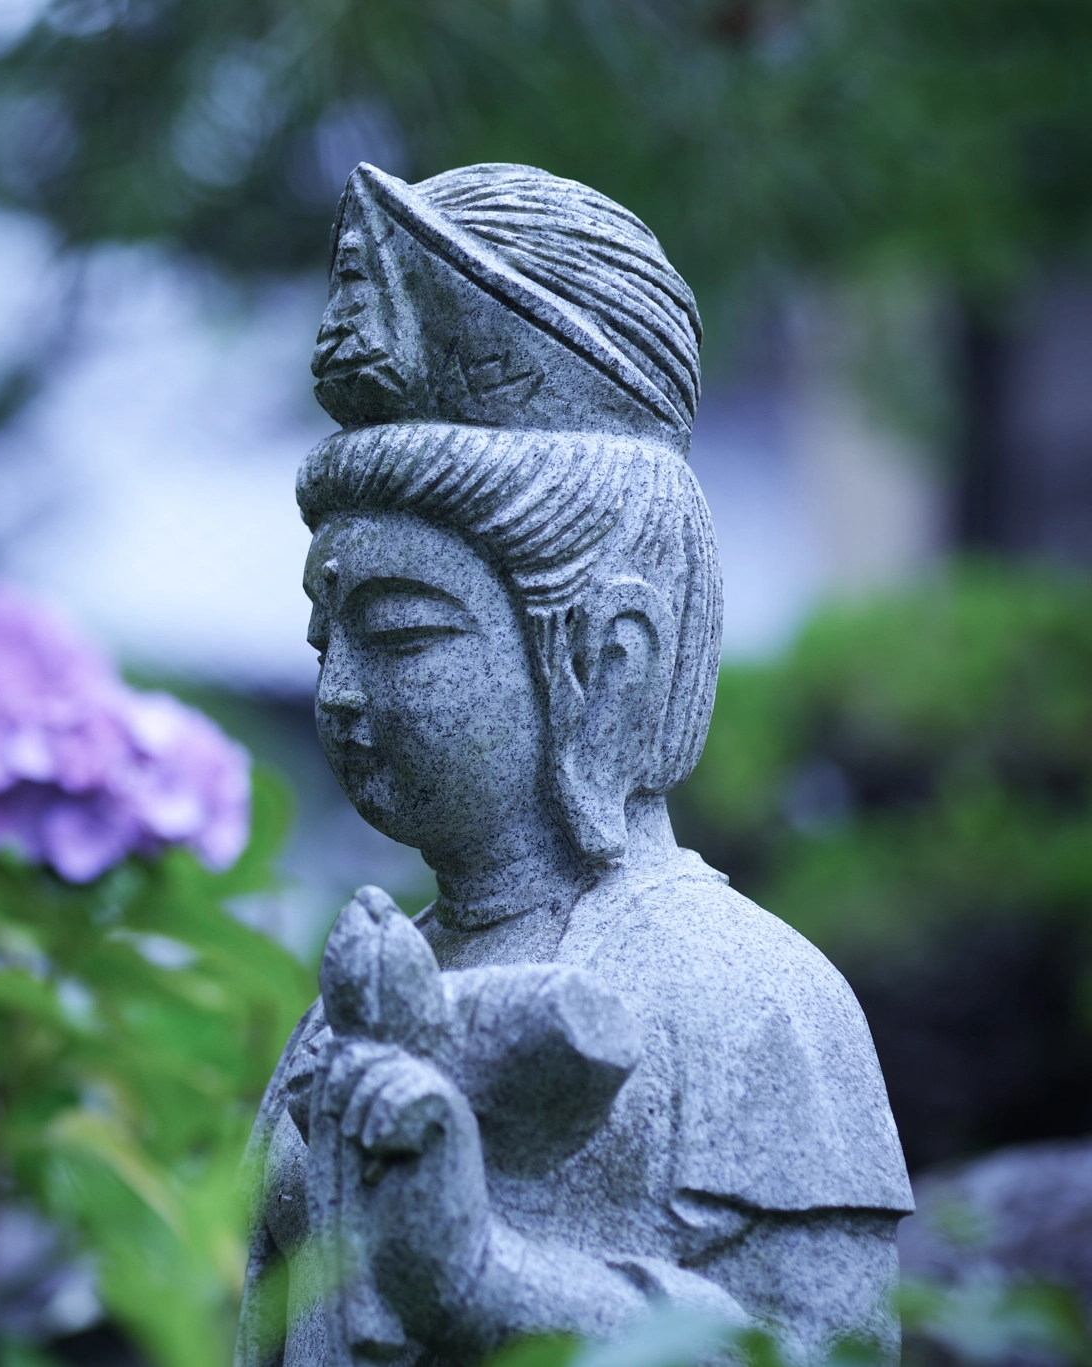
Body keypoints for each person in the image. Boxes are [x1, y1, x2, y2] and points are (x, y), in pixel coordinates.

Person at [237, 162, 912, 1367]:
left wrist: (482, 1281)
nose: (338, 689)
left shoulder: (745, 994)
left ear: (607, 652)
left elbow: (818, 1346)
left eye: (398, 634)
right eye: (321, 634)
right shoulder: (361, 988)